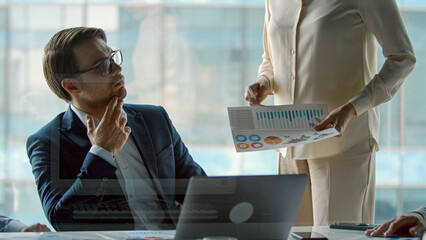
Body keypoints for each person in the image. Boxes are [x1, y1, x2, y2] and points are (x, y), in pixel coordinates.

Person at [245, 0, 416, 226]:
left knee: (336, 236)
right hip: (288, 146)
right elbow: (270, 58)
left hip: (344, 144)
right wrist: (264, 82)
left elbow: (402, 58)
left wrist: (353, 107)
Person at [26, 27, 206, 231]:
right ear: (72, 86)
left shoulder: (155, 119)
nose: (117, 69)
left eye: (112, 58)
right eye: (103, 66)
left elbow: (200, 190)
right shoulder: (47, 141)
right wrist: (101, 151)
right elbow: (62, 220)